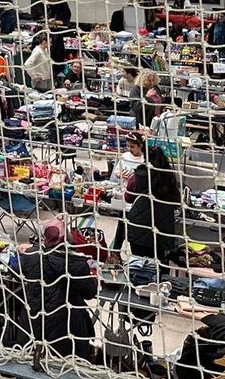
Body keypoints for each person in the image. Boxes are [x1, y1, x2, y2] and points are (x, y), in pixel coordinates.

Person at [10, 219, 96, 360]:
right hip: (68, 333)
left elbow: (16, 269)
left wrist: (28, 249)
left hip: (33, 327)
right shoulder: (77, 264)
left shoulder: (32, 256)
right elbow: (90, 292)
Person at [108, 144, 180, 262]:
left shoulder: (138, 175)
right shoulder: (169, 177)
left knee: (139, 265)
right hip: (162, 232)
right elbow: (177, 201)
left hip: (139, 230)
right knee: (157, 266)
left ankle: (116, 252)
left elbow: (128, 198)